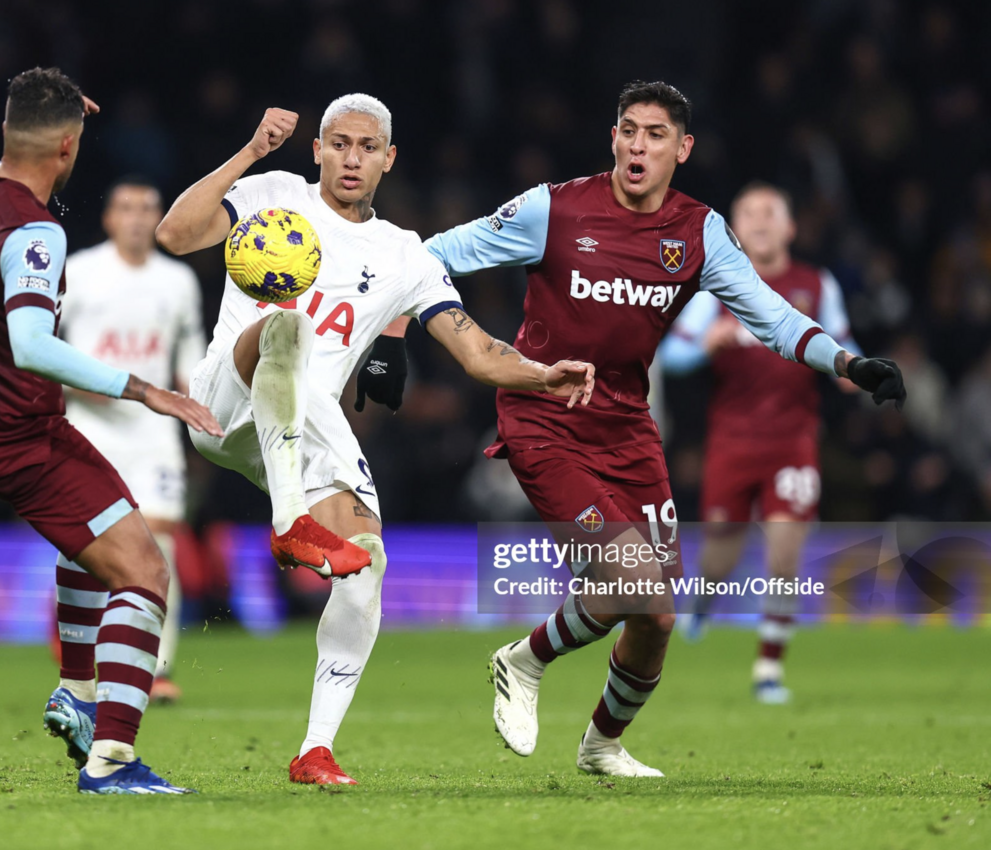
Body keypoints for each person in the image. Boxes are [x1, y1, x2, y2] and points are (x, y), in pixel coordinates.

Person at [421, 81, 905, 777]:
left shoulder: (698, 231)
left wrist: (849, 363)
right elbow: (432, 256)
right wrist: (456, 344)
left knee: (658, 616)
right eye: (627, 130)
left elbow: (769, 315)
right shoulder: (550, 209)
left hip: (627, 428)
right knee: (631, 580)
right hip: (544, 419)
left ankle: (602, 745)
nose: (637, 145)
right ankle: (523, 661)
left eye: (653, 134)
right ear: (612, 138)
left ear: (683, 148)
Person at [155, 95, 594, 785]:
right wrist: (249, 152)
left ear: (389, 159)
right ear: (318, 149)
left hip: (306, 427)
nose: (351, 158)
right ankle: (288, 523)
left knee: (366, 566)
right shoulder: (272, 194)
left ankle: (315, 750)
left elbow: (477, 353)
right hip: (226, 396)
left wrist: (543, 374)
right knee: (289, 329)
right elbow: (176, 235)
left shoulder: (403, 255)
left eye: (366, 147)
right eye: (338, 143)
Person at [0, 67, 221, 795]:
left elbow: (14, 136)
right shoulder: (37, 233)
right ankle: (112, 760)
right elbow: (32, 344)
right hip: (14, 433)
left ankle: (77, 693)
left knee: (97, 537)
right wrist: (144, 388)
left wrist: (50, 111)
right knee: (146, 573)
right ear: (68, 146)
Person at [658, 181, 862, 703]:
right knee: (721, 557)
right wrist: (706, 344)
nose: (760, 221)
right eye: (748, 213)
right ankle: (703, 603)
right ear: (734, 229)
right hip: (730, 444)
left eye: (771, 211)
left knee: (783, 556)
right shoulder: (716, 288)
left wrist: (854, 371)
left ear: (791, 227)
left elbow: (842, 341)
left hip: (793, 442)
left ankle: (768, 670)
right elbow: (673, 357)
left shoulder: (815, 284)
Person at [60, 175, 207, 705]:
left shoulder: (178, 281)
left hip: (153, 430)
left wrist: (201, 405)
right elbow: (42, 348)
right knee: (86, 549)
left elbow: (189, 356)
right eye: (127, 207)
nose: (139, 217)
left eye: (149, 207)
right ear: (109, 218)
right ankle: (82, 664)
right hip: (89, 426)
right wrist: (71, 385)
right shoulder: (78, 271)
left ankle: (155, 668)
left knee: (160, 540)